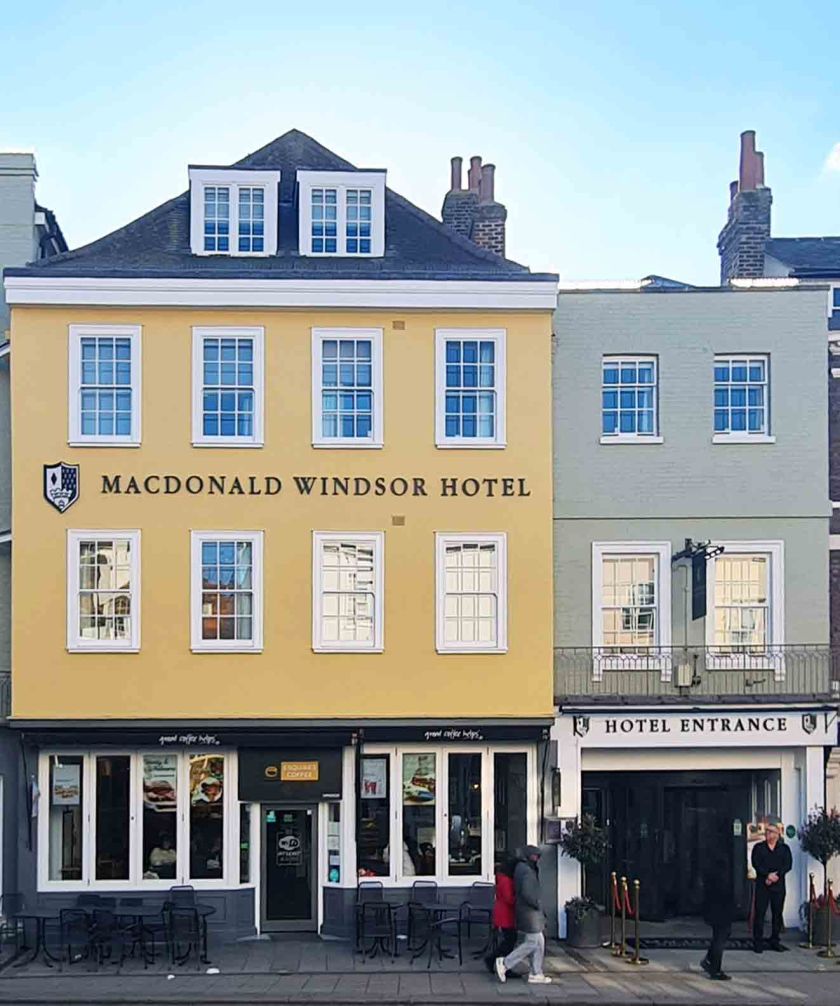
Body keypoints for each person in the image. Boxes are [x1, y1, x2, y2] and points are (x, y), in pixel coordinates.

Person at [494, 845, 551, 985]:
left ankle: (536, 973)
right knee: (532, 942)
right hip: (529, 913)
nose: (537, 858)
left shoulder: (522, 867)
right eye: (535, 856)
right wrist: (537, 903)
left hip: (529, 912)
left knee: (539, 941)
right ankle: (505, 963)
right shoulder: (525, 870)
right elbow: (526, 892)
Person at [751, 817, 792, 953]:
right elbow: (756, 863)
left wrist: (776, 876)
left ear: (778, 834)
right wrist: (767, 875)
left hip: (778, 886)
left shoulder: (784, 849)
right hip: (763, 885)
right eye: (768, 831)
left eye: (772, 832)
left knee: (777, 913)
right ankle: (758, 942)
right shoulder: (759, 848)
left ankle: (775, 940)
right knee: (760, 913)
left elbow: (787, 865)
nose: (769, 834)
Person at [700, 856, 734, 981]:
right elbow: (724, 894)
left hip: (713, 910)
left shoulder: (709, 874)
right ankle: (715, 968)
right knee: (720, 939)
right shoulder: (721, 877)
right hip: (721, 910)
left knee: (719, 937)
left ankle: (710, 961)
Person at [485, 855, 517, 974]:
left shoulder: (501, 878)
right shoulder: (506, 880)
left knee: (508, 940)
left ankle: (499, 961)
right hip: (505, 914)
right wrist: (517, 898)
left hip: (502, 913)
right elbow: (509, 899)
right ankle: (498, 961)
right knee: (510, 940)